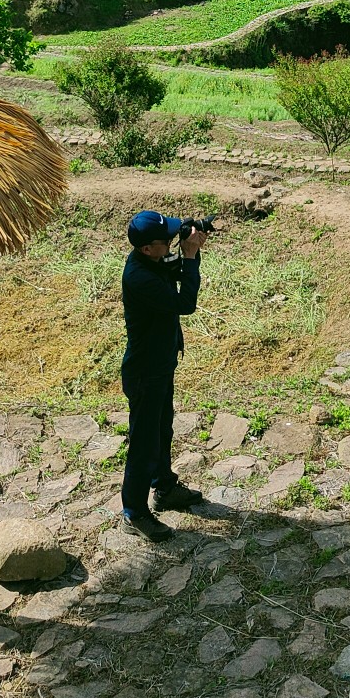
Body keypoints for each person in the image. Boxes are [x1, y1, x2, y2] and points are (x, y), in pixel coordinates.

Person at [120, 210, 207, 540]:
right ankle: (135, 512)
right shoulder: (139, 278)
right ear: (147, 248)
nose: (170, 243)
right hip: (145, 372)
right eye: (166, 240)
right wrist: (190, 256)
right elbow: (185, 303)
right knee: (144, 442)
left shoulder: (151, 260)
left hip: (160, 364)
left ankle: (165, 488)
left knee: (162, 429)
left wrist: (189, 242)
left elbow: (172, 265)